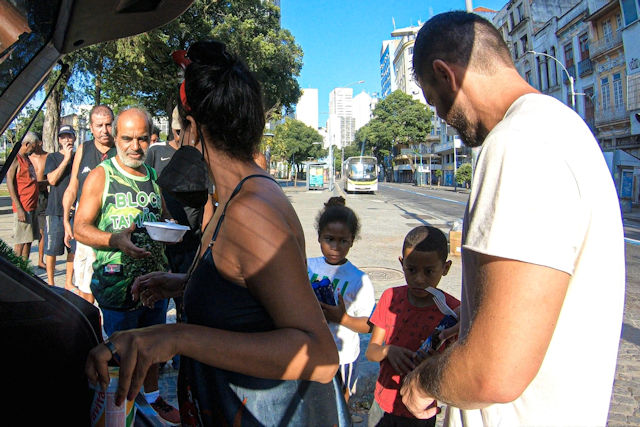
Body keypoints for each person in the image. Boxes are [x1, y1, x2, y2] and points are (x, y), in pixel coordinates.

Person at [85, 40, 342, 426]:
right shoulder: (235, 197)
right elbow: (247, 295)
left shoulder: (252, 211)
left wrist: (176, 337)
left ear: (193, 128)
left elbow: (320, 356)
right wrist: (184, 284)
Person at [399, 12, 625, 427]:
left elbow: (492, 372)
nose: (442, 117)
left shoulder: (516, 144)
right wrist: (470, 332)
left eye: (434, 100)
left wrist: (423, 382)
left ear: (445, 75)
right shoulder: (563, 128)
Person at [74, 107, 180, 424]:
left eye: (142, 138)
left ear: (151, 138)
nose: (135, 146)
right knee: (121, 357)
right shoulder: (101, 175)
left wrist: (170, 227)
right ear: (116, 137)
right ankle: (121, 411)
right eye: (127, 138)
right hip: (117, 287)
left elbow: (161, 219)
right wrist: (114, 240)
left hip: (153, 285)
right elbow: (80, 227)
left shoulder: (152, 177)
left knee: (153, 349)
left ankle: (152, 399)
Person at [366, 226, 458, 427]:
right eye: (412, 269)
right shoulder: (390, 298)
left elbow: (456, 368)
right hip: (383, 404)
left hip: (420, 412)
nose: (419, 279)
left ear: (446, 268)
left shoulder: (453, 312)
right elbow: (371, 352)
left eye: (429, 271)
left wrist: (436, 362)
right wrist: (387, 351)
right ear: (402, 263)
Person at [307, 196, 375, 404]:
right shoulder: (306, 266)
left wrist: (342, 318)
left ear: (352, 241)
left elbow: (369, 326)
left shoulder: (358, 279)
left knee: (339, 402)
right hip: (308, 350)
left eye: (343, 240)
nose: (335, 246)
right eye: (330, 239)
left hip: (342, 356)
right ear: (319, 237)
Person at [62, 105, 116, 303]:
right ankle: (91, 331)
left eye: (108, 125)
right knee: (86, 288)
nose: (104, 130)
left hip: (112, 232)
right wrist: (67, 220)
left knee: (113, 288)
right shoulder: (84, 149)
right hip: (85, 231)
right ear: (91, 128)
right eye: (99, 125)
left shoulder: (121, 151)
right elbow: (71, 188)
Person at [43, 125, 76, 289]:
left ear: (74, 138)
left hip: (74, 211)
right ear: (59, 140)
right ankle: (50, 282)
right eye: (63, 137)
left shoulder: (79, 157)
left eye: (69, 136)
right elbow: (52, 180)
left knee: (73, 248)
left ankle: (69, 282)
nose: (67, 139)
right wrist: (66, 159)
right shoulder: (53, 158)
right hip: (55, 209)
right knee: (52, 248)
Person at [6, 132, 39, 260]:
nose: (35, 149)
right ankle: (16, 269)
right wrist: (19, 208)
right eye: (33, 146)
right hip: (23, 206)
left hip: (32, 205)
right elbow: (9, 182)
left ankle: (25, 267)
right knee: (20, 242)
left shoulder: (27, 159)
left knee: (28, 240)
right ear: (26, 144)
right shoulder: (16, 158)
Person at [29, 133, 48, 269]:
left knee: (42, 230)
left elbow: (52, 178)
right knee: (28, 229)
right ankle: (24, 259)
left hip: (42, 194)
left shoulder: (48, 157)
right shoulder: (28, 157)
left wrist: (44, 182)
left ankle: (41, 260)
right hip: (29, 195)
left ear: (40, 143)